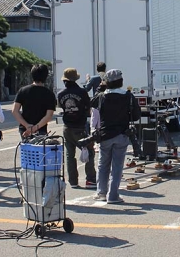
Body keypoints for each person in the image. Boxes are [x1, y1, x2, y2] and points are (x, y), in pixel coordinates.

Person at [91, 69, 141, 203]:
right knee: (117, 166)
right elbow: (136, 116)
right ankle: (113, 195)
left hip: (104, 135)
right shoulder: (128, 96)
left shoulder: (101, 96)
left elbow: (92, 103)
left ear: (106, 83)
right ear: (121, 82)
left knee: (103, 164)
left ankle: (101, 192)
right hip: (122, 134)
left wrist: (100, 88)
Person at [57, 67, 96, 188]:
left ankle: (73, 181)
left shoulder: (60, 94)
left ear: (65, 80)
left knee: (70, 155)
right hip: (80, 126)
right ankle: (90, 179)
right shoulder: (82, 92)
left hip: (67, 127)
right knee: (89, 152)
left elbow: (61, 107)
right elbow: (88, 107)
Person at [12, 64, 57, 138]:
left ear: (32, 75)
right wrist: (35, 128)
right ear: (46, 76)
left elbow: (15, 111)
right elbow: (49, 115)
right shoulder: (49, 94)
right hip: (41, 129)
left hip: (25, 129)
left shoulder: (23, 90)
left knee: (26, 145)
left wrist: (27, 126)